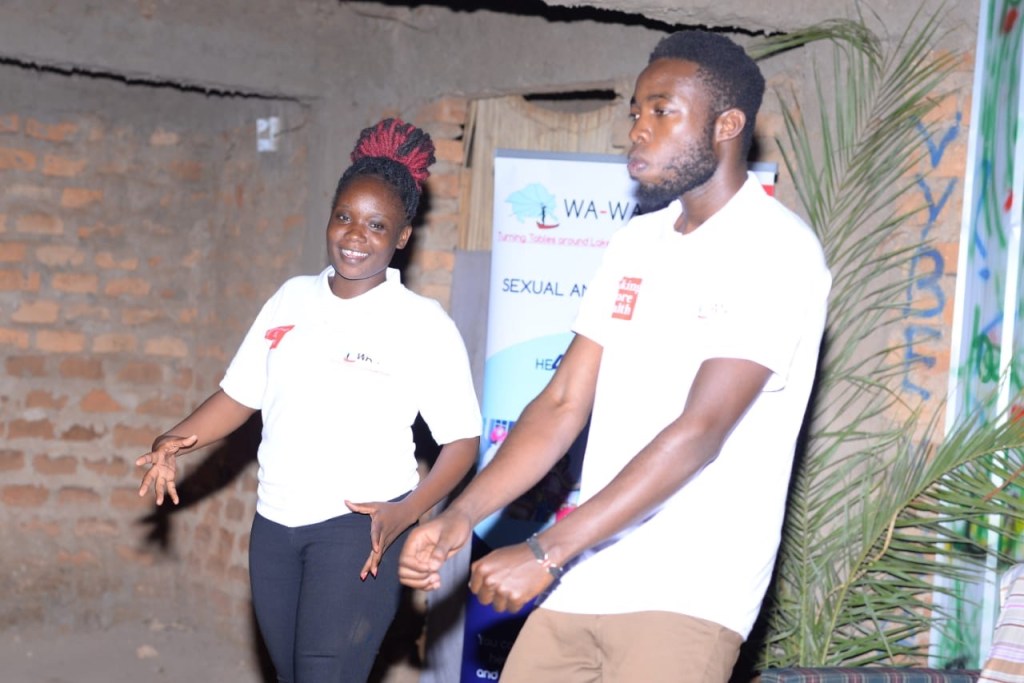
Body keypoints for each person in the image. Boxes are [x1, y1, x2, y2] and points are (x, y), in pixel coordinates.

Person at [398, 30, 831, 683]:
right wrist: (463, 511)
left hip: (690, 593)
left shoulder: (774, 249)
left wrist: (546, 549)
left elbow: (700, 431)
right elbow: (562, 402)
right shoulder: (636, 242)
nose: (638, 129)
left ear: (727, 125)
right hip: (585, 577)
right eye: (635, 112)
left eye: (662, 111)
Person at [135, 118, 482, 683]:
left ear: (402, 237)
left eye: (376, 225)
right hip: (274, 525)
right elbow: (239, 396)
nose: (354, 235)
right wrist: (173, 439)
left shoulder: (421, 323)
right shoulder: (291, 298)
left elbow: (462, 442)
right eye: (344, 217)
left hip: (359, 529)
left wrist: (404, 512)